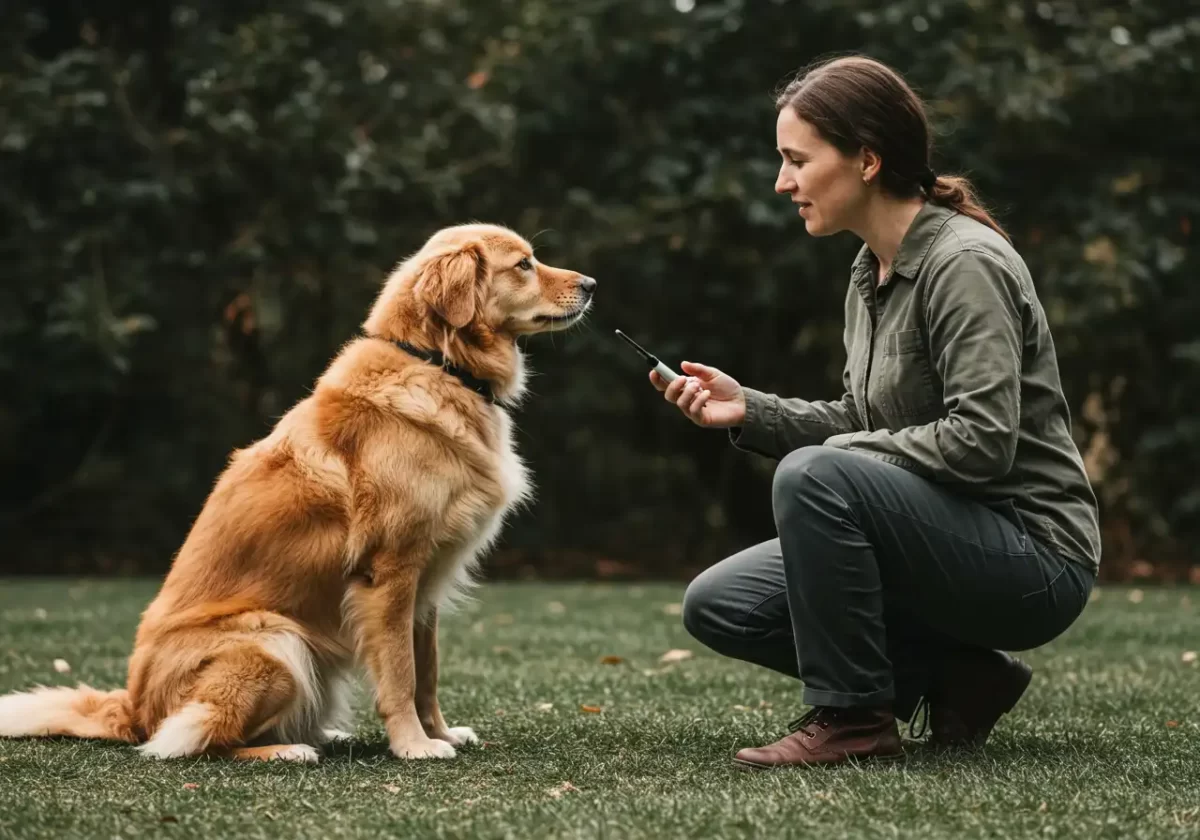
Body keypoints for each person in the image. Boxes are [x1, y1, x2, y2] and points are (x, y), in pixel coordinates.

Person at [651, 55, 1100, 770]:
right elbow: (861, 415)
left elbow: (983, 443)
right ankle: (960, 678)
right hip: (938, 538)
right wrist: (749, 411)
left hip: (1033, 557)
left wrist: (833, 465)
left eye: (796, 160)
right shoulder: (869, 272)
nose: (782, 182)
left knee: (817, 475)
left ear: (865, 159)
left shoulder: (965, 264)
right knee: (720, 603)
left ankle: (856, 719)